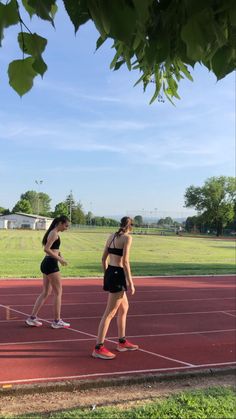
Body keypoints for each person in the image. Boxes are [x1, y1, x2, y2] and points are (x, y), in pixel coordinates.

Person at [92, 216, 139, 360]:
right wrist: (131, 282)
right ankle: (98, 347)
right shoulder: (127, 238)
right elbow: (125, 261)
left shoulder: (111, 236)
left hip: (111, 272)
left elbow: (103, 259)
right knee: (110, 313)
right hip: (118, 274)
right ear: (131, 227)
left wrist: (107, 274)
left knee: (124, 308)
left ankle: (122, 342)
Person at [25, 215, 70, 329]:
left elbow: (55, 249)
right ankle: (57, 321)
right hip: (50, 264)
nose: (67, 228)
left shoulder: (53, 233)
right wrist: (60, 259)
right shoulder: (54, 233)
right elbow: (46, 249)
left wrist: (60, 256)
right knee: (58, 292)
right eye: (66, 225)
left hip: (47, 263)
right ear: (60, 223)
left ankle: (32, 318)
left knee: (46, 292)